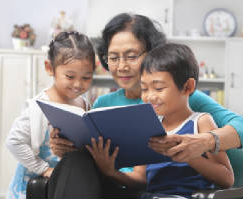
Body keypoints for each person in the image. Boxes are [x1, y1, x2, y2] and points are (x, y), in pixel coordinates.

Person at [47, 13, 243, 198]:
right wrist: (65, 146)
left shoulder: (184, 97)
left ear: (153, 54)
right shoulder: (103, 102)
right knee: (74, 160)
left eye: (131, 56)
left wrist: (203, 142)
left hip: (149, 191)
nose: (122, 66)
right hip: (114, 185)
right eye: (113, 58)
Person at [86, 43, 234, 198]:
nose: (149, 96)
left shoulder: (201, 122)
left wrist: (188, 155)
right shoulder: (147, 125)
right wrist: (111, 172)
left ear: (187, 87)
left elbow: (227, 179)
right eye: (144, 89)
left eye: (158, 88)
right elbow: (141, 179)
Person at [6, 31, 95, 199]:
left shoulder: (84, 104)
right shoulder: (39, 106)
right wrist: (44, 169)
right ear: (49, 68)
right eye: (70, 76)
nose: (78, 84)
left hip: (65, 185)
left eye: (86, 77)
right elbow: (14, 141)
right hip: (34, 187)